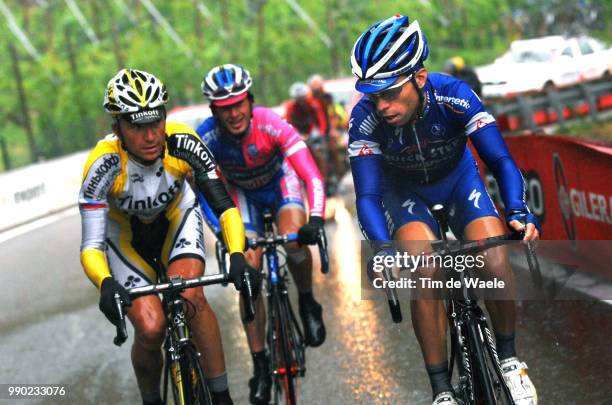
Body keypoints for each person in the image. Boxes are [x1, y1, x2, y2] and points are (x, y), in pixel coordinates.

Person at [348, 15, 539, 405]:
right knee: (426, 271)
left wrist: (518, 210)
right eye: (373, 95)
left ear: (419, 77)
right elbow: (367, 196)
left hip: (459, 182)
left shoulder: (454, 94)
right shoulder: (364, 121)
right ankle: (442, 390)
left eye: (390, 92)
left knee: (494, 258)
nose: (381, 105)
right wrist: (383, 250)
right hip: (405, 195)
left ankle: (509, 359)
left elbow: (501, 160)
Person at [79, 68, 257, 405]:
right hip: (126, 241)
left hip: (176, 221)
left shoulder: (183, 142)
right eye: (137, 126)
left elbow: (224, 206)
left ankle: (222, 397)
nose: (150, 136)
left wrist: (236, 254)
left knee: (191, 296)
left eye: (155, 122)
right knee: (150, 329)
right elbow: (90, 245)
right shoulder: (103, 165)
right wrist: (105, 283)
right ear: (117, 128)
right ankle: (152, 399)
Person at [196, 64, 327, 405]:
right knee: (249, 274)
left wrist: (314, 217)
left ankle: (308, 301)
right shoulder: (206, 137)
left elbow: (309, 172)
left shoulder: (270, 122)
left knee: (295, 239)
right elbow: (205, 196)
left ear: (250, 101)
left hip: (280, 184)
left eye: (239, 104)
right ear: (214, 110)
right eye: (225, 108)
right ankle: (260, 363)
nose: (234, 113)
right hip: (240, 196)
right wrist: (228, 239)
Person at [283, 82, 329, 183]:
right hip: (299, 132)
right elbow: (287, 122)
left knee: (318, 152)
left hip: (311, 129)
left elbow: (321, 119)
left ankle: (324, 178)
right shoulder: (290, 107)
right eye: (298, 99)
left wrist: (322, 131)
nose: (301, 101)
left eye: (302, 98)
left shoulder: (313, 103)